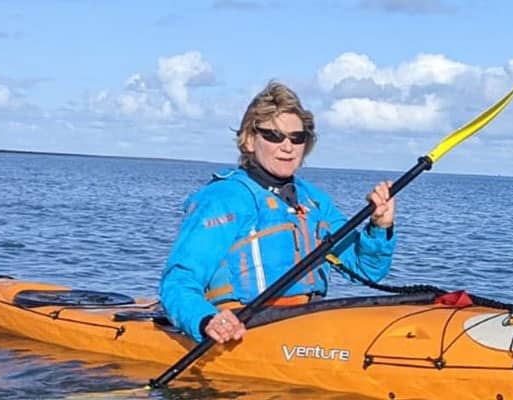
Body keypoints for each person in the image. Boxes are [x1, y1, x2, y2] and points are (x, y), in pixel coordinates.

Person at [160, 81, 397, 344]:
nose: (287, 146)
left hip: (306, 324)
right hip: (244, 328)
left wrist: (379, 227)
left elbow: (367, 270)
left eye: (297, 138)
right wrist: (205, 320)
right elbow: (179, 280)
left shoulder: (315, 201)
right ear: (249, 140)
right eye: (274, 136)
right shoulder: (223, 199)